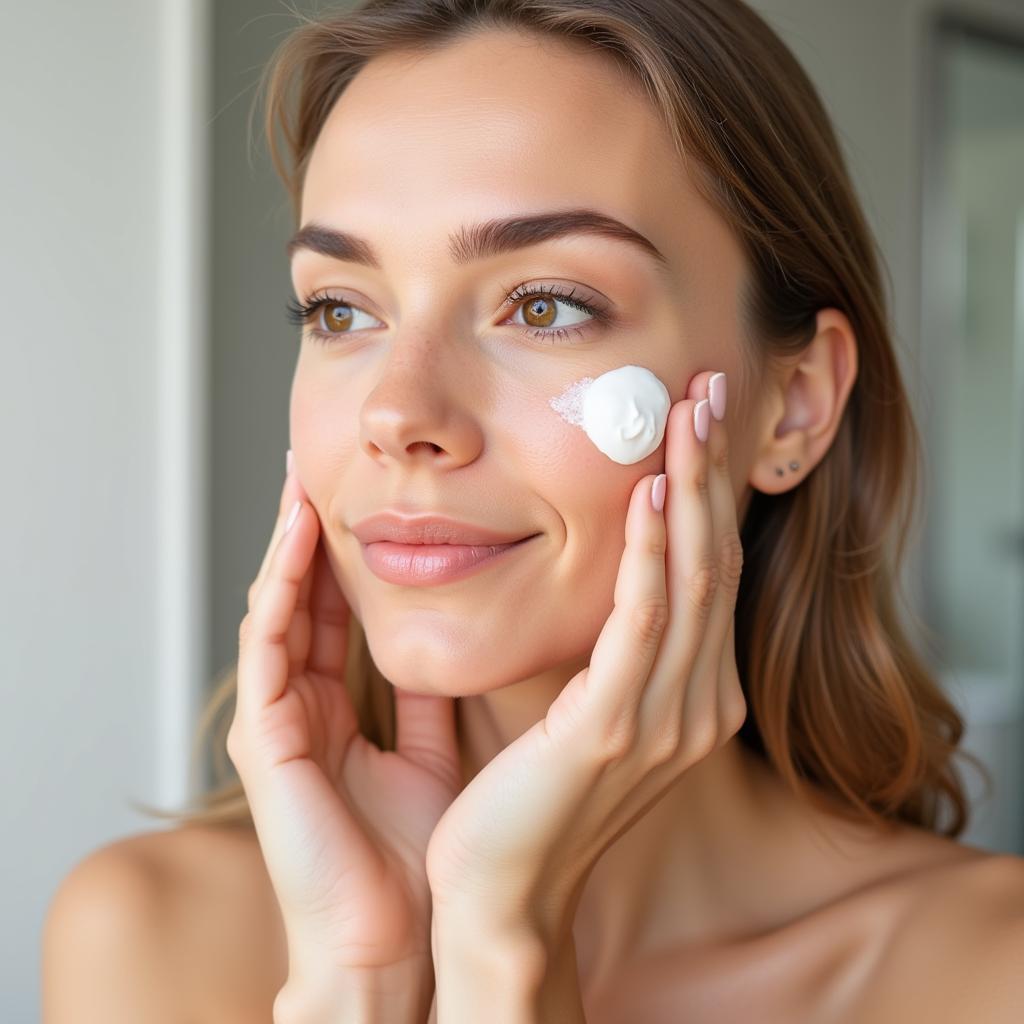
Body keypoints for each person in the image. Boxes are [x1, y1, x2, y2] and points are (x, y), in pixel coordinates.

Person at [43, 1, 1024, 1021]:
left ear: (794, 404)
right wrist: (362, 979)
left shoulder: (985, 976)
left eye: (546, 304)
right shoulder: (148, 938)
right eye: (340, 309)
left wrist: (503, 945)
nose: (398, 413)